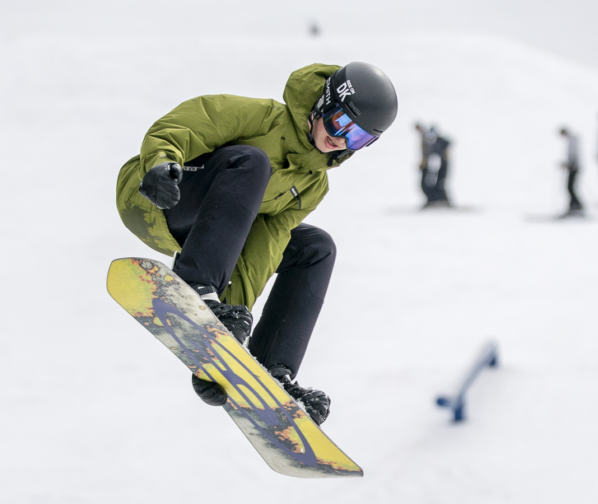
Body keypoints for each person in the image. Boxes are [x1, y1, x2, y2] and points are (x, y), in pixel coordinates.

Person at [116, 62, 399, 425]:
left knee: (315, 248)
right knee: (253, 162)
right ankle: (196, 287)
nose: (341, 140)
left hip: (205, 235)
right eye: (340, 123)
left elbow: (261, 250)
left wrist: (222, 345)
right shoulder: (264, 118)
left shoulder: (313, 185)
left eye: (357, 138)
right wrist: (160, 163)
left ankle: (272, 369)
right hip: (155, 192)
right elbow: (186, 124)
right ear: (323, 104)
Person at [559, 127, 583, 215]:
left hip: (574, 167)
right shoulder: (571, 140)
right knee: (570, 187)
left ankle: (577, 205)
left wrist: (570, 164)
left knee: (570, 187)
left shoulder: (573, 140)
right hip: (573, 166)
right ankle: (574, 205)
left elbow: (574, 154)